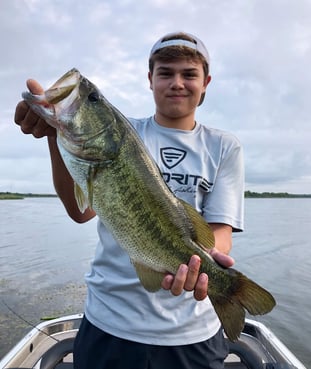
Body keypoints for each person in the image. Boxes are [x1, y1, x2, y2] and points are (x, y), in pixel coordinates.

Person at [14, 32, 244, 369]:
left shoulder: (224, 146)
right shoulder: (126, 133)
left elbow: (219, 232)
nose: (177, 83)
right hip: (110, 322)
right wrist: (55, 133)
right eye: (165, 72)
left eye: (189, 74)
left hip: (192, 333)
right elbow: (82, 212)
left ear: (205, 82)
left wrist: (204, 265)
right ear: (150, 79)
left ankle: (230, 293)